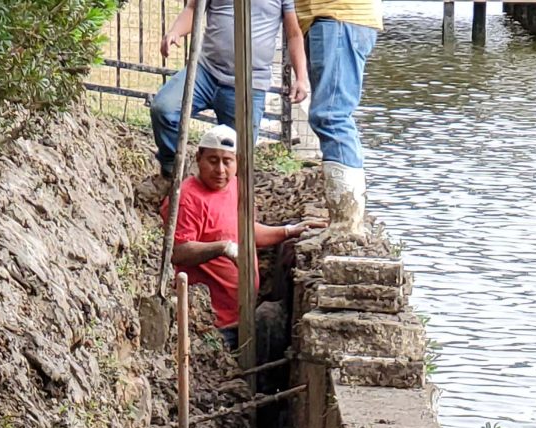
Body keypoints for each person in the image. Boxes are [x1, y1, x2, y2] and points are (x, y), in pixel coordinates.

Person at [160, 125, 324, 347]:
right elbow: (177, 252)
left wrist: (288, 230)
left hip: (243, 315)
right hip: (213, 326)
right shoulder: (186, 198)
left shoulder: (235, 187)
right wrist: (223, 248)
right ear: (198, 158)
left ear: (237, 162)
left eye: (227, 161)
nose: (220, 170)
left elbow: (245, 231)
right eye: (212, 160)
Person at [150, 0, 309, 178]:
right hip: (206, 71)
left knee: (238, 155)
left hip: (249, 83)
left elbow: (294, 34)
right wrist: (175, 32)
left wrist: (301, 78)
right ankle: (173, 169)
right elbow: (194, 8)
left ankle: (224, 199)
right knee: (164, 109)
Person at [295, 0, 381, 234]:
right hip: (328, 17)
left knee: (331, 115)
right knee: (329, 114)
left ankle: (347, 226)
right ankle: (344, 222)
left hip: (338, 15)